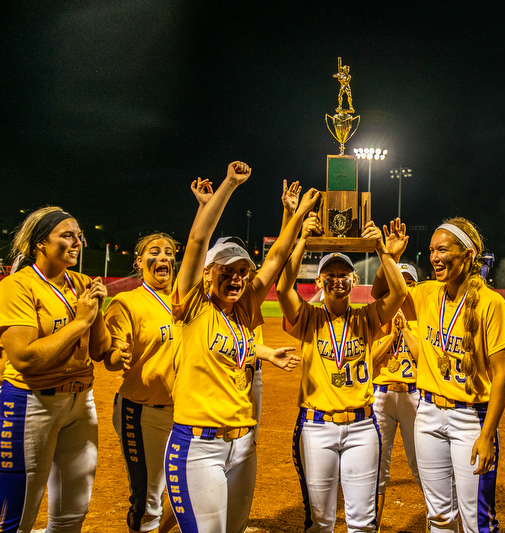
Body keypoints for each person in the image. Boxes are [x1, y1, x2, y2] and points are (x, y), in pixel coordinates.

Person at [164, 161, 315, 533]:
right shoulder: (193, 305)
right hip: (199, 445)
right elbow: (199, 239)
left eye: (242, 272)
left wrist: (296, 217)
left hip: (242, 444)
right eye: (225, 270)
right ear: (206, 272)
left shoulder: (244, 308)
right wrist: (229, 184)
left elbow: (277, 258)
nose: (235, 278)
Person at [372, 217, 505, 533]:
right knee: (439, 515)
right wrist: (391, 257)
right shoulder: (428, 294)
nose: (434, 256)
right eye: (432, 250)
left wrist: (488, 435)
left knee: (477, 520)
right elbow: (380, 292)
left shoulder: (492, 304)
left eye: (443, 249)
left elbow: (502, 376)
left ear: (467, 255)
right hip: (428, 414)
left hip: (470, 419)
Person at [276, 210, 407, 532]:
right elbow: (282, 288)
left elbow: (400, 293)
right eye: (329, 274)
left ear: (354, 280)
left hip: (362, 427)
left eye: (344, 274)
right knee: (320, 521)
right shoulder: (308, 317)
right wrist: (304, 240)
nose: (337, 279)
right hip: (315, 426)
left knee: (362, 522)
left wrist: (382, 251)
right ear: (319, 281)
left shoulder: (366, 317)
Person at [100, 178, 213, 533]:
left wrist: (203, 207)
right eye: (154, 251)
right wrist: (117, 356)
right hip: (142, 412)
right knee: (149, 499)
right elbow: (111, 357)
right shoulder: (126, 302)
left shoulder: (186, 299)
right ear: (139, 262)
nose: (163, 257)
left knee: (186, 494)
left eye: (168, 252)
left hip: (186, 411)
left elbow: (199, 244)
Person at [0, 207, 111, 532]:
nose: (77, 242)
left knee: (72, 514)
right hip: (32, 403)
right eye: (67, 235)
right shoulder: (17, 286)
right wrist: (79, 322)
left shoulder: (80, 282)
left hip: (81, 402)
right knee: (17, 518)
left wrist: (96, 312)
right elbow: (24, 359)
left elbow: (100, 349)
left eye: (78, 235)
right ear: (40, 243)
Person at [370, 263, 422, 528]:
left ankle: (439, 524)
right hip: (381, 397)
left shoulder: (424, 319)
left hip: (414, 397)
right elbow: (368, 362)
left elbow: (425, 361)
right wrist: (391, 336)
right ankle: (372, 526)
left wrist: (406, 332)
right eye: (396, 283)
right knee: (377, 467)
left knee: (423, 465)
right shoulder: (376, 319)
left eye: (407, 283)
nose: (402, 290)